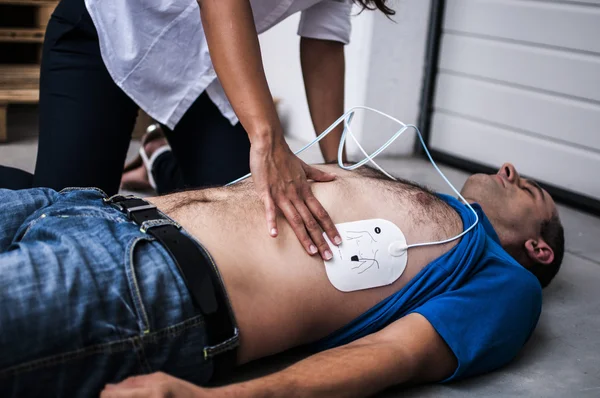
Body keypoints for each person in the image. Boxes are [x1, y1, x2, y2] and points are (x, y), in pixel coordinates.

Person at [0, 162, 564, 398]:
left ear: (538, 247)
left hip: (140, 283)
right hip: (81, 205)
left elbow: (392, 357)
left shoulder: (506, 283)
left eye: (528, 189)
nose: (509, 170)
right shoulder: (434, 197)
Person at [34, 0, 395, 262]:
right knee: (67, 218)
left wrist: (341, 164)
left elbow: (324, 45)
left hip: (201, 69)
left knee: (252, 218)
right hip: (107, 30)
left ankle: (158, 157)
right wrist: (268, 141)